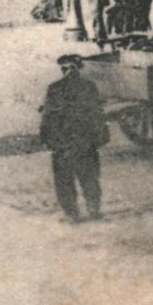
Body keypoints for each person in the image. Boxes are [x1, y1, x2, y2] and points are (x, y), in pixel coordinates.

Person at [38, 54, 108, 223]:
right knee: (90, 176)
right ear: (79, 70)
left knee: (64, 180)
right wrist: (100, 138)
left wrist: (46, 138)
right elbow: (97, 115)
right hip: (85, 141)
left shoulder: (54, 88)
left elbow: (48, 117)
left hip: (63, 142)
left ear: (63, 70)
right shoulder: (89, 86)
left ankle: (72, 213)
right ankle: (93, 209)